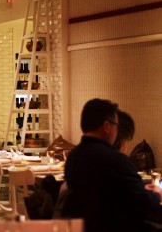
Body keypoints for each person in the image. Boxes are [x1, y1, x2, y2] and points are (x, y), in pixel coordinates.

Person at [61, 98, 162, 232]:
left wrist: (140, 189)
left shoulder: (74, 156)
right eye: (116, 125)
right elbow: (142, 203)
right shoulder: (115, 160)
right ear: (107, 126)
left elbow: (113, 191)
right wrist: (157, 194)